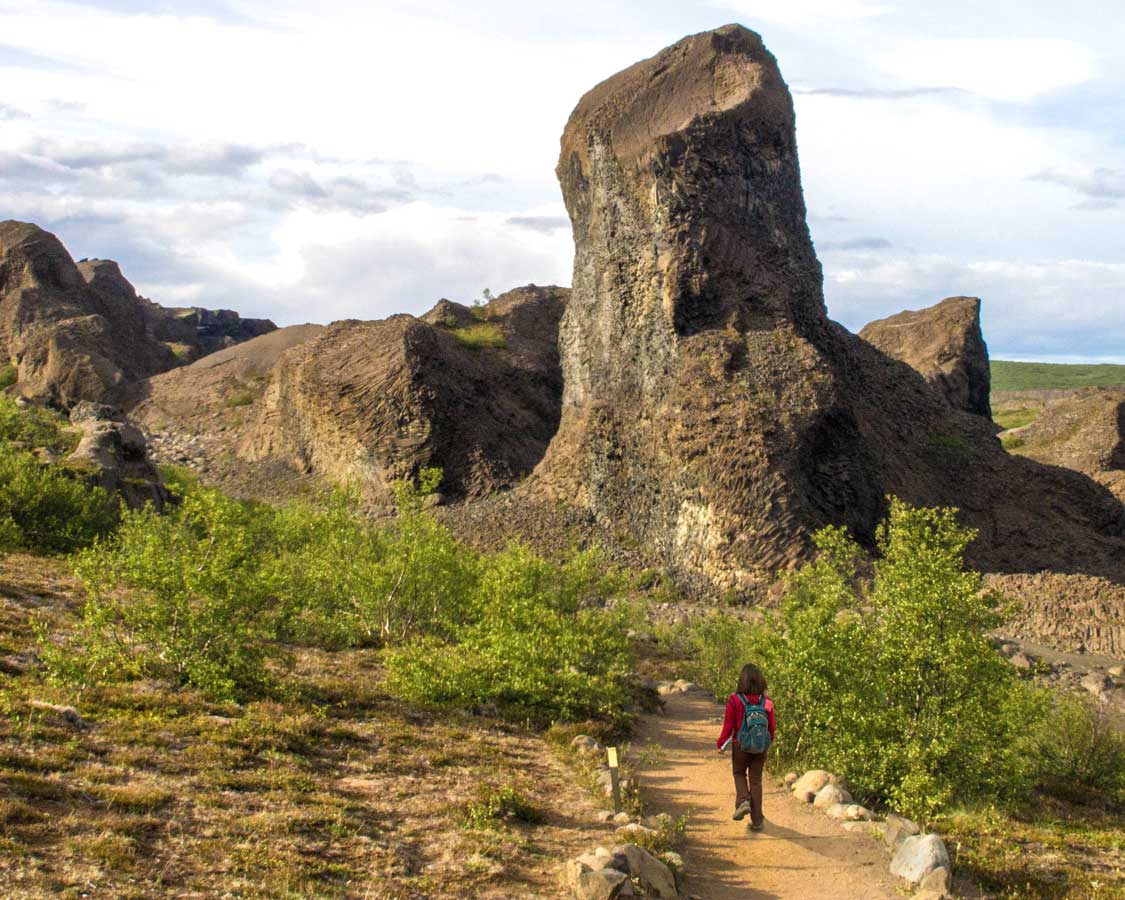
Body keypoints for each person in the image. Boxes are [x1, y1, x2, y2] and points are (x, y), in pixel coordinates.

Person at [716, 663, 776, 831]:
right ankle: (757, 821)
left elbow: (728, 726)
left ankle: (743, 801)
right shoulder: (766, 701)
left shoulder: (734, 700)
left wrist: (721, 743)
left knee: (739, 773)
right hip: (760, 748)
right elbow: (772, 726)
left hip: (740, 746)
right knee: (756, 781)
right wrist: (768, 741)